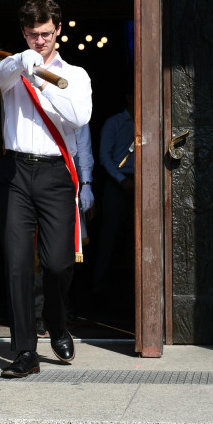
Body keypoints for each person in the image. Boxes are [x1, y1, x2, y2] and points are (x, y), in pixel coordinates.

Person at [0, 0, 92, 378]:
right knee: (17, 263)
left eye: (46, 34)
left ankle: (57, 320)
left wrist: (44, 82)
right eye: (32, 34)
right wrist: (22, 64)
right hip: (17, 171)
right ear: (23, 33)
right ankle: (24, 352)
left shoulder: (77, 74)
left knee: (57, 263)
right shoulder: (12, 68)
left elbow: (79, 116)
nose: (40, 41)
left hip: (55, 174)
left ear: (58, 30)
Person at [34, 123, 94, 335]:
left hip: (70, 181)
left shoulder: (75, 99)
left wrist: (87, 183)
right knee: (39, 253)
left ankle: (59, 308)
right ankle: (37, 313)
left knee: (65, 254)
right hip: (36, 177)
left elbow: (83, 145)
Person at [94, 87, 134, 297]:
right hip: (118, 183)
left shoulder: (152, 121)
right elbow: (104, 157)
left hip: (144, 184)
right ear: (128, 96)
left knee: (143, 235)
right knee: (110, 233)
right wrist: (121, 180)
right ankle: (99, 286)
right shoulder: (115, 123)